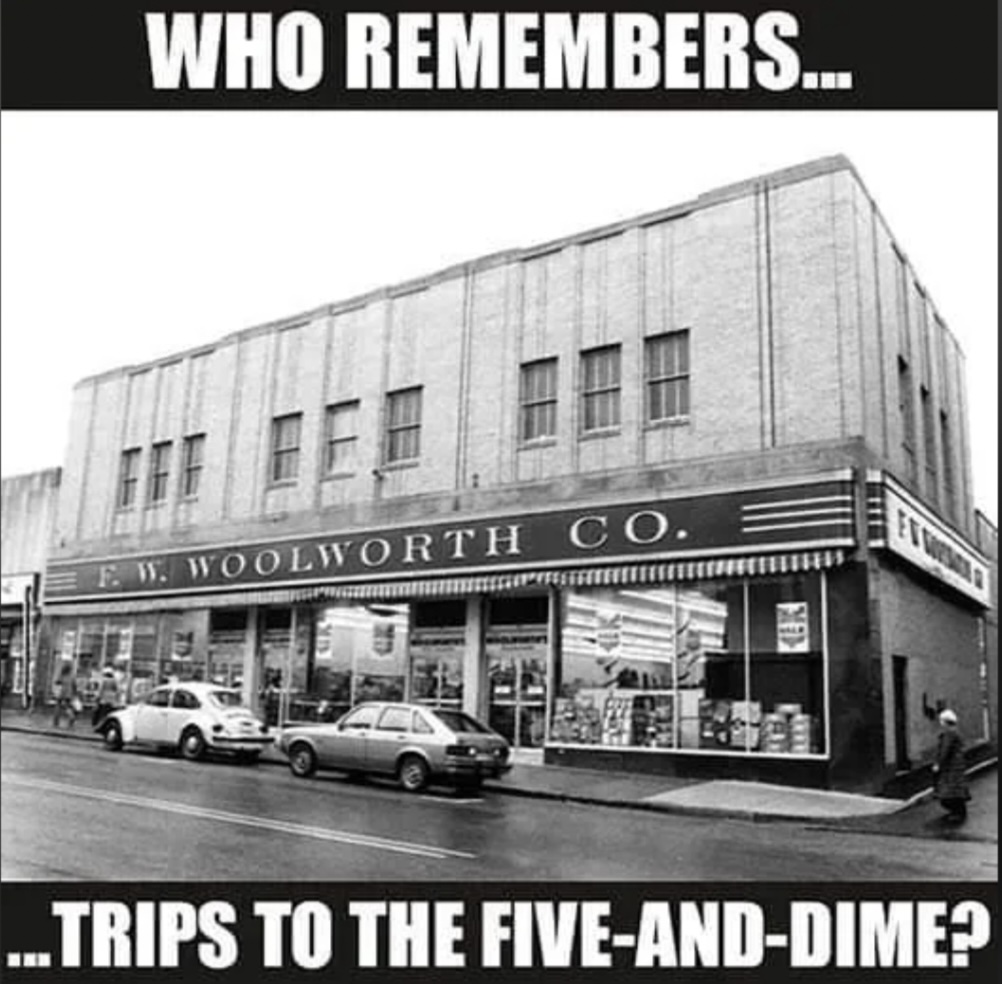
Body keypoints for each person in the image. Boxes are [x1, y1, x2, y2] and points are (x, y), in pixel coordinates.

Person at [933, 709, 971, 824]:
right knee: (956, 790)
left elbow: (945, 750)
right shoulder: (954, 732)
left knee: (948, 792)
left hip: (951, 767)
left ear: (945, 721)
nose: (940, 722)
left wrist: (938, 764)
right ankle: (960, 811)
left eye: (941, 720)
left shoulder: (948, 734)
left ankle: (957, 813)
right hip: (957, 765)